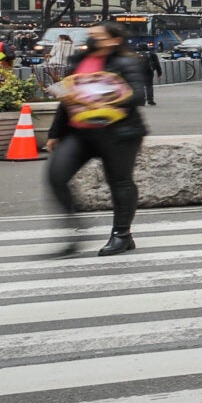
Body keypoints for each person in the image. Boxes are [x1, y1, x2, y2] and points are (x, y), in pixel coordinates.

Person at [44, 21, 147, 257]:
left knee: (119, 182)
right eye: (90, 36)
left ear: (114, 40)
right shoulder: (79, 62)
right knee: (56, 176)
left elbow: (137, 95)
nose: (92, 41)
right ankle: (76, 231)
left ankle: (122, 235)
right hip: (79, 133)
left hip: (119, 133)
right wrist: (55, 133)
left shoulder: (126, 63)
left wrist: (104, 98)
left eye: (98, 37)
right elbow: (67, 99)